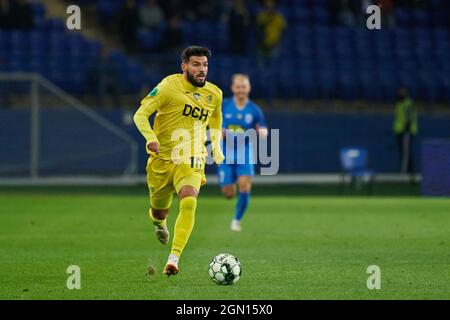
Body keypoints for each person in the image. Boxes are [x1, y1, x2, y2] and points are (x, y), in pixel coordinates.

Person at [133, 46, 224, 276]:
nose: (201, 69)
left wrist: (216, 147)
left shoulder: (214, 94)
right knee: (159, 212)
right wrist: (150, 138)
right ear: (184, 66)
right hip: (161, 160)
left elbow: (216, 116)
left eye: (204, 65)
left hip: (192, 156)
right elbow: (140, 115)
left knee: (189, 201)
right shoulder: (167, 87)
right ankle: (159, 224)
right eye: (196, 64)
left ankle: (173, 259)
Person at [218, 74, 268, 232]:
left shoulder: (254, 110)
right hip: (225, 153)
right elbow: (214, 125)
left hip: (244, 153)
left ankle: (236, 220)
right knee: (228, 193)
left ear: (249, 88)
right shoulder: (224, 105)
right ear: (233, 88)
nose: (241, 90)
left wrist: (262, 132)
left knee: (245, 186)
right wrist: (219, 133)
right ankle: (229, 184)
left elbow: (263, 128)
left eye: (244, 87)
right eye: (238, 87)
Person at [393, 88, 418, 175]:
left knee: (405, 152)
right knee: (404, 152)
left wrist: (407, 129)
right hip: (400, 131)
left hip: (406, 131)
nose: (400, 94)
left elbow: (410, 117)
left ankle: (404, 172)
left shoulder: (408, 103)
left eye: (402, 92)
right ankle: (408, 171)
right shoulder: (399, 103)